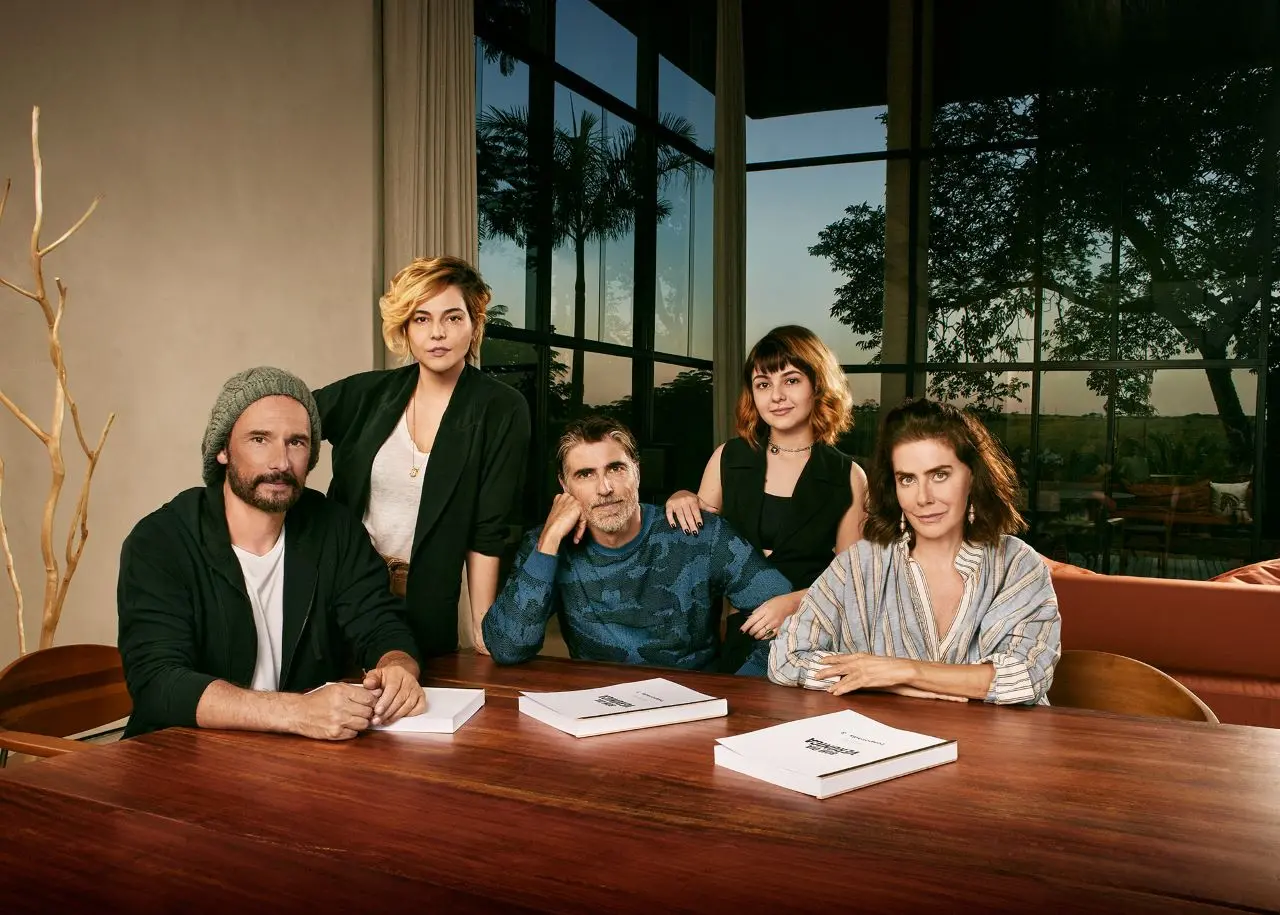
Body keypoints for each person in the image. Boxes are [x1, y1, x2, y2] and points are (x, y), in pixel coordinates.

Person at [118, 367, 425, 740]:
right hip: (179, 754)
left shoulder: (333, 527)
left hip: (293, 756)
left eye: (296, 442)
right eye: (260, 439)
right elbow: (158, 682)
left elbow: (379, 623)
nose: (281, 462)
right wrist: (297, 712)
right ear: (222, 450)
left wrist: (397, 667)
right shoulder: (160, 541)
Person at [768, 398, 1061, 705]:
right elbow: (787, 658)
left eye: (940, 475)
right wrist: (885, 683)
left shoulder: (1017, 565)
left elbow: (1026, 676)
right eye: (907, 479)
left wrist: (905, 671)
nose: (923, 498)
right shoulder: (859, 564)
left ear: (973, 476)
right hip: (885, 734)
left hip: (994, 737)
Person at [314, 256, 531, 658]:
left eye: (453, 318)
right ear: (405, 328)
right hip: (344, 589)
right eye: (421, 319)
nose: (437, 333)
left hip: (427, 598)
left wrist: (483, 624)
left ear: (474, 324)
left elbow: (490, 528)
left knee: (422, 690)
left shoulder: (501, 407)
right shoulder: (366, 394)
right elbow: (285, 425)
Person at [481, 416, 799, 673]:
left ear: (637, 470)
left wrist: (740, 693)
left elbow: (794, 623)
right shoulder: (545, 544)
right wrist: (549, 541)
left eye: (616, 469)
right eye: (585, 475)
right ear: (565, 486)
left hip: (692, 704)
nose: (605, 488)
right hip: (594, 704)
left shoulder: (699, 533)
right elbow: (507, 648)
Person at [664, 325, 867, 671]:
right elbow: (700, 551)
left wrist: (792, 603)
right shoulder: (728, 457)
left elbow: (853, 582)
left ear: (818, 385)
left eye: (791, 380)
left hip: (811, 633)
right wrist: (682, 497)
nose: (776, 396)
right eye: (763, 384)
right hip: (739, 633)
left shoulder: (848, 475)